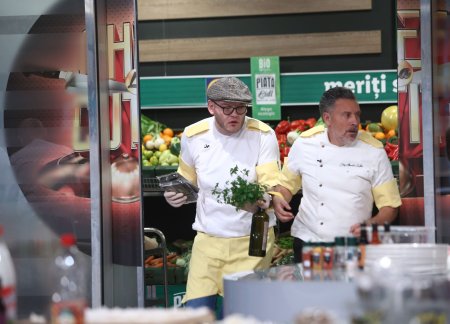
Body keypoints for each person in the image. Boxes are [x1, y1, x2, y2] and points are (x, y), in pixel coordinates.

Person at [163, 76, 280, 317]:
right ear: (211, 107)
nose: (235, 114)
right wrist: (174, 195)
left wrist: (262, 199)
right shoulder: (193, 136)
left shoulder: (263, 134)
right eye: (227, 108)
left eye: (241, 108)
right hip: (208, 241)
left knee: (238, 318)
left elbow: (271, 182)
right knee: (196, 315)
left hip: (252, 240)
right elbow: (185, 180)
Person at [272, 86, 402, 262]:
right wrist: (279, 198)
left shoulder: (374, 151)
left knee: (349, 290)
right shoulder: (304, 144)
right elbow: (287, 185)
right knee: (310, 290)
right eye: (347, 115)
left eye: (357, 114)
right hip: (308, 242)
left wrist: (371, 225)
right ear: (327, 118)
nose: (355, 121)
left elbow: (390, 206)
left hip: (352, 245)